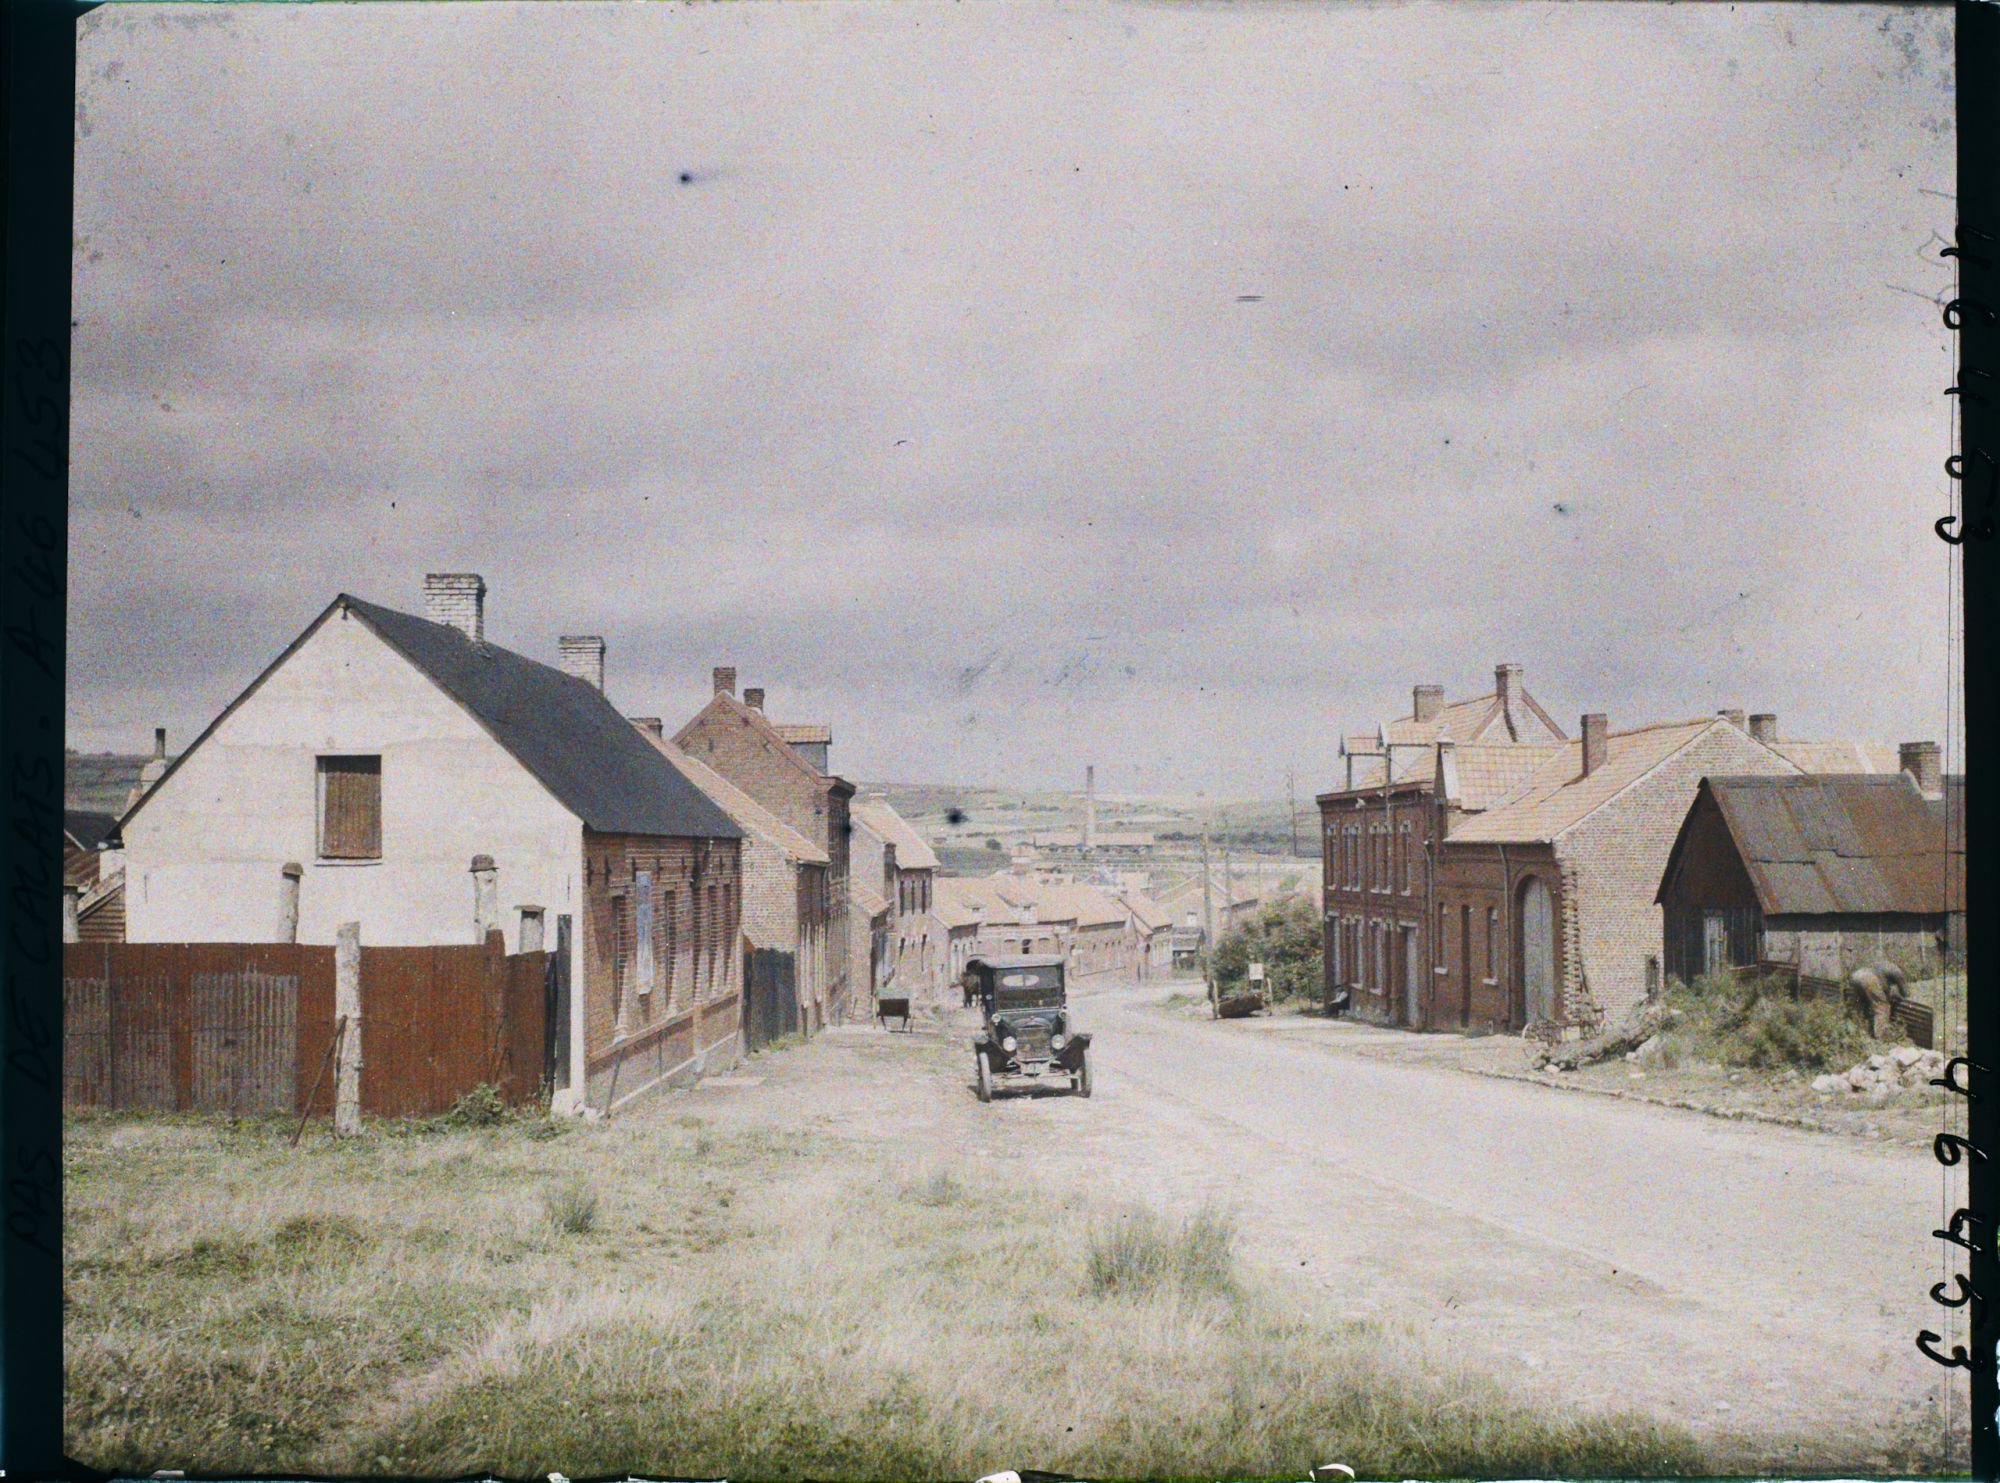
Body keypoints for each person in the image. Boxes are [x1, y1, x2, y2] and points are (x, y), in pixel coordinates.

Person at [1847, 959, 1910, 1039]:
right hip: (1869, 978)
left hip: (1856, 975)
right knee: (1882, 1007)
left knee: (1859, 1006)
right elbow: (1904, 992)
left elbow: (1882, 988)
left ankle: (1855, 1031)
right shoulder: (1897, 971)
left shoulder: (1883, 965)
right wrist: (1904, 996)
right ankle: (1882, 1035)